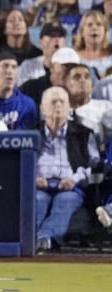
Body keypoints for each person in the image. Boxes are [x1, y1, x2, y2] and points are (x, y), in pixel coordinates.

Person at [35, 86, 99, 252]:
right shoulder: (31, 132)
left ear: (69, 107)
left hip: (71, 187)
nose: (58, 106)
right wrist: (33, 178)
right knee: (38, 200)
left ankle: (45, 237)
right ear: (42, 108)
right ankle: (29, 238)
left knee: (65, 201)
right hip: (38, 185)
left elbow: (93, 165)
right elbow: (20, 162)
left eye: (62, 102)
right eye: (53, 102)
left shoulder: (83, 134)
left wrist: (75, 179)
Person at [0, 51, 38, 130]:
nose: (10, 71)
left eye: (14, 67)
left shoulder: (27, 105)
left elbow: (25, 138)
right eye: (5, 66)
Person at [64, 63, 112, 142]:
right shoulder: (59, 109)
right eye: (77, 77)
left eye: (87, 77)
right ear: (66, 84)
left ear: (92, 85)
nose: (83, 80)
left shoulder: (105, 107)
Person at [73, 10, 112, 79]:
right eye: (89, 25)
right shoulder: (74, 57)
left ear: (105, 31)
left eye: (99, 24)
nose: (94, 28)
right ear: (82, 32)